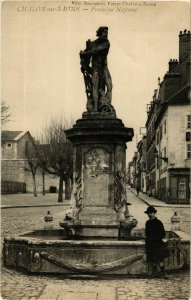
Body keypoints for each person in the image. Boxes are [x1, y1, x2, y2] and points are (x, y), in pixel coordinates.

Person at [80, 26, 114, 112]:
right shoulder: (92, 44)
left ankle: (107, 104)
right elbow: (87, 57)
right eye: (104, 31)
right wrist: (84, 62)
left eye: (107, 32)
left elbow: (97, 50)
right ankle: (95, 108)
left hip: (104, 68)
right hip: (95, 68)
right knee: (95, 87)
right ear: (100, 33)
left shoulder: (106, 43)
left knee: (109, 86)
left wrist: (85, 52)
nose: (106, 33)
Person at [144, 206, 168, 279]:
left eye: (151, 213)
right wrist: (149, 238)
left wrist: (156, 238)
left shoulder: (158, 223)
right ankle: (154, 273)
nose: (149, 215)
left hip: (157, 243)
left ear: (154, 213)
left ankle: (163, 273)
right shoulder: (147, 222)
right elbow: (146, 233)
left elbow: (163, 233)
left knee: (160, 258)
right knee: (152, 258)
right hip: (150, 243)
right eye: (148, 213)